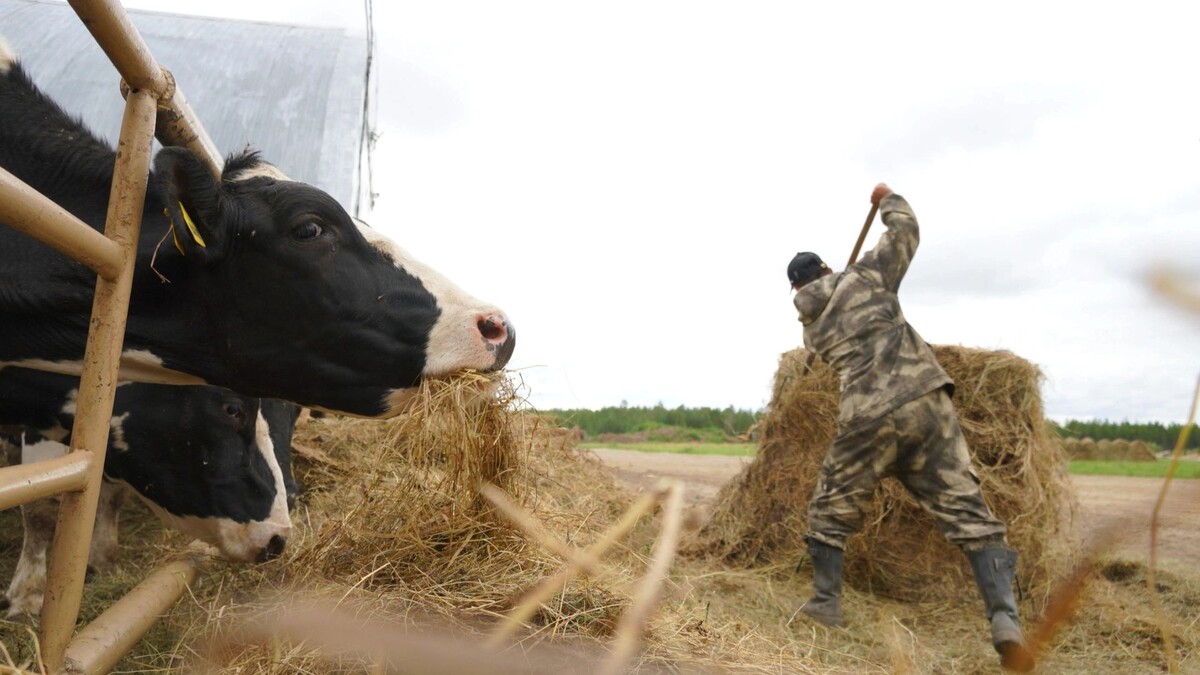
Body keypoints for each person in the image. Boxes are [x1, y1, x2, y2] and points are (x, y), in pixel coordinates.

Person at [787, 183, 1032, 672]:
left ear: (795, 290)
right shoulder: (865, 279)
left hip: (868, 418)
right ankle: (1005, 618)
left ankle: (825, 602)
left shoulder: (811, 328)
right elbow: (906, 230)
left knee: (831, 505)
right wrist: (888, 199)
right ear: (828, 269)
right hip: (925, 404)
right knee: (969, 512)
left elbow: (820, 308)